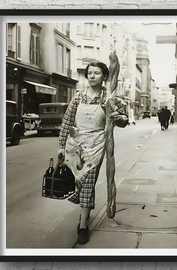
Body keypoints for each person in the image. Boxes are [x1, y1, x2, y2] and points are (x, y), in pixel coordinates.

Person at [58, 61, 128, 245]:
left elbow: (123, 120)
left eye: (96, 73)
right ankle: (85, 211)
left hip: (96, 146)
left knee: (87, 184)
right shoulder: (79, 95)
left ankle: (82, 226)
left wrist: (119, 117)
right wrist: (61, 145)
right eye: (89, 73)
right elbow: (67, 120)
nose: (92, 75)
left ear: (104, 76)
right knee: (77, 184)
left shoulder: (111, 98)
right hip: (75, 146)